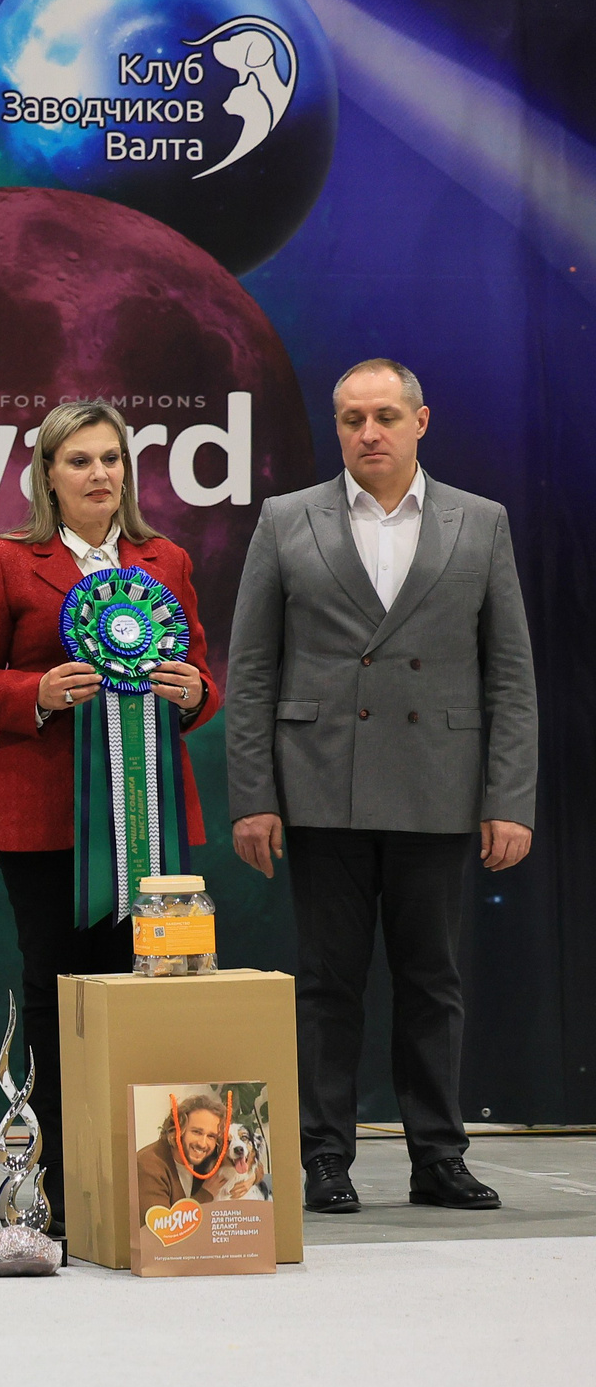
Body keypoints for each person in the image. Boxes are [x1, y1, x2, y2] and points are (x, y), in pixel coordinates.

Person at [225, 359, 536, 1216]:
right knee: (328, 985)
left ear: (420, 422)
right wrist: (254, 793)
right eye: (353, 417)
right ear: (337, 425)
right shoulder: (288, 519)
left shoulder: (481, 522)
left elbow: (510, 672)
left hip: (439, 788)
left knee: (433, 981)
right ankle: (324, 1158)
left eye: (386, 416)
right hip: (319, 788)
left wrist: (508, 797)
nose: (370, 432)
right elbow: (250, 669)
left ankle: (439, 1156)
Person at [0, 400, 217, 1238]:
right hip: (42, 824)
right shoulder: (7, 560)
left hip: (156, 820)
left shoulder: (164, 557)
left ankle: (165, 1190)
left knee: (159, 999)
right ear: (47, 475)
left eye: (111, 460)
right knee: (61, 1000)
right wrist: (36, 692)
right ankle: (66, 1191)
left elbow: (200, 664)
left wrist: (198, 692)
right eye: (80, 461)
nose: (100, 475)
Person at [136, 1093, 235, 1212]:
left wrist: (253, 1178)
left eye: (211, 1136)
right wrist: (204, 1195)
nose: (203, 1144)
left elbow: (254, 1162)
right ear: (178, 1130)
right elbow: (160, 1228)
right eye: (196, 1132)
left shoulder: (207, 1154)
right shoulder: (149, 1165)